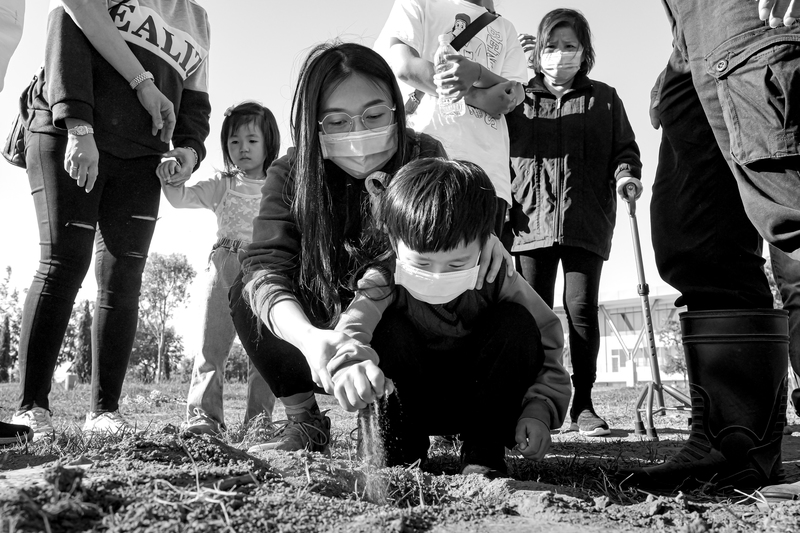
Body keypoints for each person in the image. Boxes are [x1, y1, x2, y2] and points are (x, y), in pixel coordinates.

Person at [230, 41, 514, 454]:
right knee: (246, 292)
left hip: (400, 322)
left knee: (398, 321)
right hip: (325, 328)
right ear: (314, 125)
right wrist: (311, 340)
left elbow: (449, 222)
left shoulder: (424, 154)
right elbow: (266, 266)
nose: (359, 134)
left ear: (396, 110)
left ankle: (412, 415)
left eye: (375, 115)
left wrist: (480, 237)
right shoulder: (289, 174)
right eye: (338, 121)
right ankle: (305, 419)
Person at [9, 0, 211, 439]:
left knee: (125, 277)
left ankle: (104, 412)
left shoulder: (198, 18)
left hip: (142, 155)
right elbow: (66, 21)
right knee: (65, 261)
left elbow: (195, 104)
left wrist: (190, 151)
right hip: (71, 129)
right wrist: (80, 126)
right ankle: (31, 408)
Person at [329, 158, 571, 477]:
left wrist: (539, 409)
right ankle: (398, 457)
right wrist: (350, 366)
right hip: (408, 403)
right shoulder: (383, 279)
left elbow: (545, 340)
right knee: (388, 329)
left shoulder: (496, 276)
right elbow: (350, 333)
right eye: (422, 264)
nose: (438, 276)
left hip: (480, 404)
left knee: (516, 323)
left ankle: (483, 454)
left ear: (485, 242)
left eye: (456, 265)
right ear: (393, 240)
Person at [619, 37, 788, 491]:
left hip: (756, 26)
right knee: (691, 237)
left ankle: (741, 445)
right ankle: (731, 446)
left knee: (788, 212)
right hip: (692, 44)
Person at [506, 9, 642, 437]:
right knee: (531, 315)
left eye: (569, 46)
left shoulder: (605, 98)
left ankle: (583, 403)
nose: (560, 55)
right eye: (551, 47)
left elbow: (626, 149)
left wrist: (627, 176)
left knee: (581, 312)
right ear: (538, 53)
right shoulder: (516, 99)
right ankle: (532, 403)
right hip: (529, 224)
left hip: (587, 220)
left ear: (584, 52)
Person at [158, 102, 278, 436]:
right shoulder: (222, 183)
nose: (243, 148)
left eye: (252, 141)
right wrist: (170, 176)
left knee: (265, 349)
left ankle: (259, 421)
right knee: (212, 346)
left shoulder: (280, 184)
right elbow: (180, 198)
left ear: (268, 143)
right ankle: (204, 416)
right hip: (224, 267)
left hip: (266, 271)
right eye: (235, 142)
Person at [375, 0, 527, 237]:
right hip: (424, 162)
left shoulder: (505, 27)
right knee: (422, 260)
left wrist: (477, 72)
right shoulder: (418, 3)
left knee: (481, 268)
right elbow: (403, 65)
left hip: (490, 172)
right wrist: (478, 95)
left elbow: (515, 93)